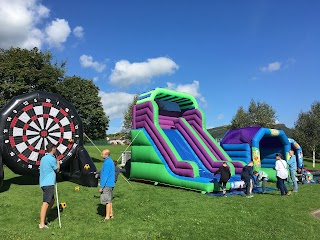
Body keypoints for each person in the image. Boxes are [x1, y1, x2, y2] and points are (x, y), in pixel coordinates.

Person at [39, 143, 60, 229]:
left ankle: (44, 219)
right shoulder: (52, 159)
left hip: (43, 182)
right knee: (46, 203)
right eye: (55, 148)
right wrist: (58, 163)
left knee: (52, 201)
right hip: (48, 183)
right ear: (53, 149)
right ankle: (41, 224)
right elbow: (57, 170)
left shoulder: (44, 158)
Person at [99, 149, 115, 220]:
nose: (101, 155)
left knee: (107, 201)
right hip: (111, 184)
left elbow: (105, 176)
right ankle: (111, 214)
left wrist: (101, 187)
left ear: (106, 155)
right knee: (110, 200)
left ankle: (107, 217)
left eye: (102, 154)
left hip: (107, 185)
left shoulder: (107, 163)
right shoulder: (110, 161)